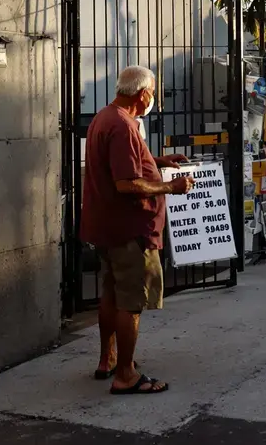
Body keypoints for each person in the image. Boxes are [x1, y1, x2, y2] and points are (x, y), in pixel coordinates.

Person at [81, 65, 192, 395]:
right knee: (130, 301)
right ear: (143, 94)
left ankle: (108, 359)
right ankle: (126, 375)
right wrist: (171, 187)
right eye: (153, 92)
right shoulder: (123, 126)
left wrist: (156, 160)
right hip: (130, 230)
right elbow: (127, 183)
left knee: (111, 293)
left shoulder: (105, 117)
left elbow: (124, 162)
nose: (153, 98)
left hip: (107, 226)